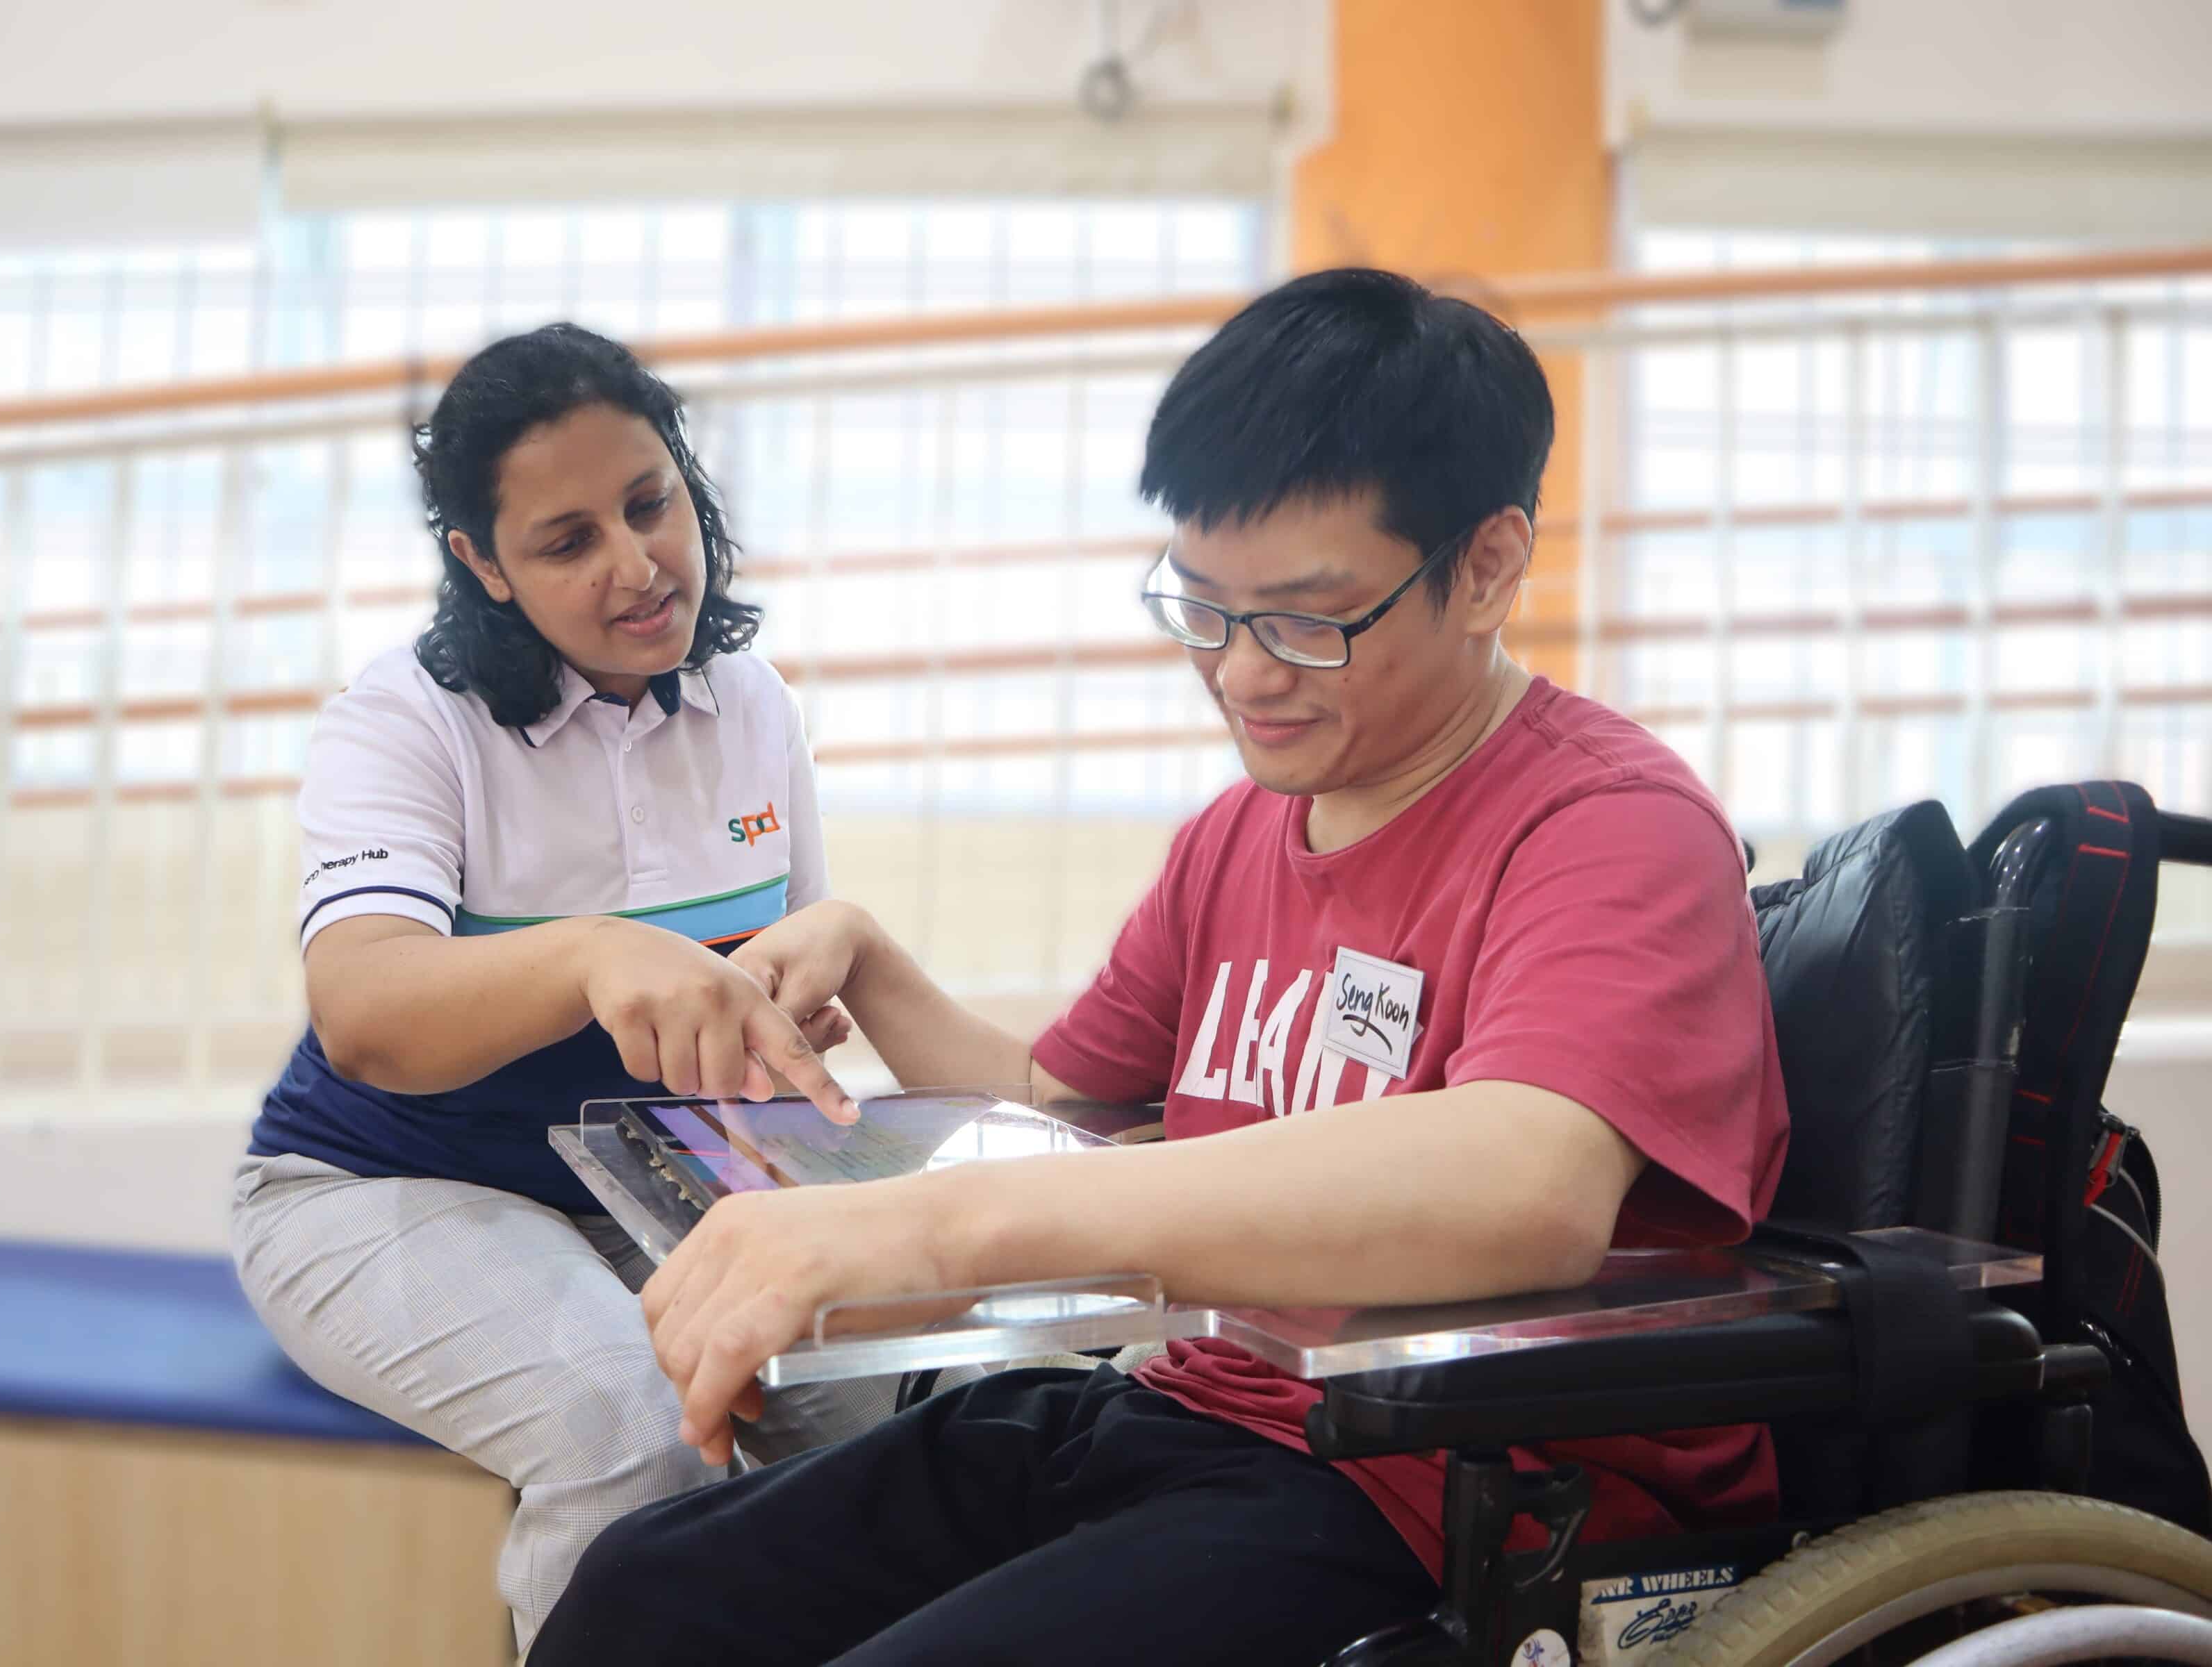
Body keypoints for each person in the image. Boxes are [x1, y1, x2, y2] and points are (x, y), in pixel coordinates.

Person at [530, 270, 1793, 1667]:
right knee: (641, 1598)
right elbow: (1054, 1103)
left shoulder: (1610, 827)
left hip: (1448, 1485)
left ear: (1489, 566)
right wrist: (873, 961)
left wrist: (933, 1232)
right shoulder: (1240, 834)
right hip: (1198, 1410)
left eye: (1309, 619)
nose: (1244, 676)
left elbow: (1528, 1186)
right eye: (1204, 608)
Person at [228, 324, 891, 1654]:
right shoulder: (406, 723)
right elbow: (364, 1016)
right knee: (633, 1427)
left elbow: (774, 992)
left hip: (660, 1186)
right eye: (568, 540)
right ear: (483, 563)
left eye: (652, 505)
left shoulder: (750, 703)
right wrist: (592, 951)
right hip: (385, 1194)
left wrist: (792, 985)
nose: (640, 569)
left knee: (866, 1402)